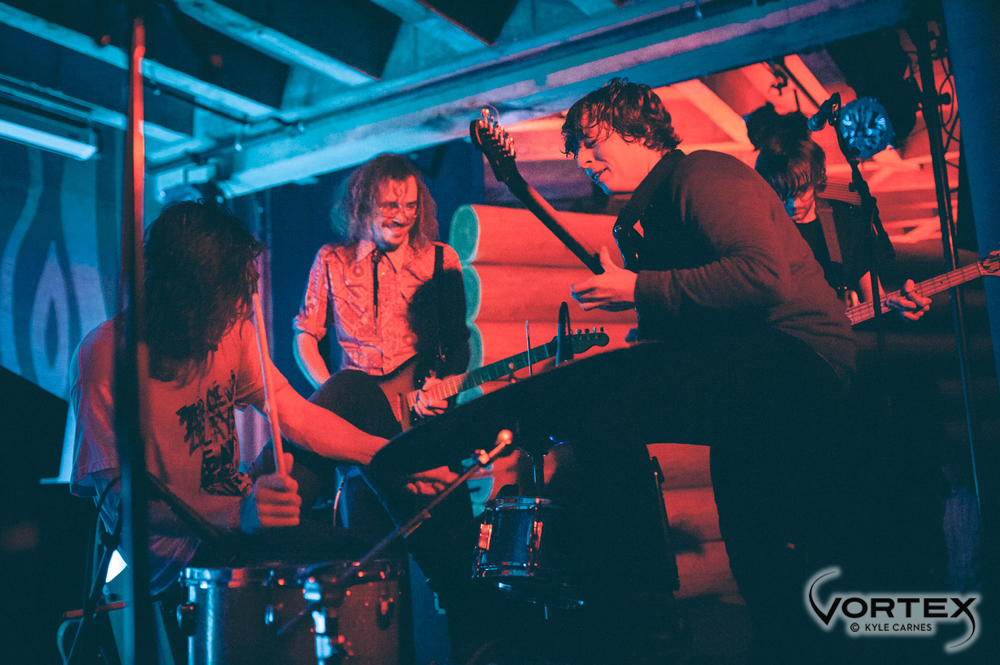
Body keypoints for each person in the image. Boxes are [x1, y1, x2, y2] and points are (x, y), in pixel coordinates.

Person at [561, 79, 861, 660]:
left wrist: (642, 288)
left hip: (797, 359)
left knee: (599, 406)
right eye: (574, 148)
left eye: (590, 141)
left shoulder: (703, 175)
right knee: (757, 553)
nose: (580, 159)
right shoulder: (646, 215)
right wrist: (643, 314)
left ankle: (642, 613)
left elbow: (761, 277)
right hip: (749, 375)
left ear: (639, 131)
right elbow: (697, 312)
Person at [68, 201, 417, 662]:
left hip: (241, 501)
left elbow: (294, 415)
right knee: (359, 557)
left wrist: (399, 455)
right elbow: (121, 504)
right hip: (181, 555)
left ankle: (457, 591)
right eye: (224, 306)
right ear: (185, 299)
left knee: (350, 390)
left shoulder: (231, 328)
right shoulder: (104, 358)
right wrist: (239, 515)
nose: (236, 316)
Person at [293, 153, 470, 425]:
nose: (402, 217)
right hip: (352, 418)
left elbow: (458, 341)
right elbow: (305, 334)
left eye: (411, 206)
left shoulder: (441, 259)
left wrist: (440, 387)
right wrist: (334, 393)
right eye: (390, 206)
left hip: (418, 414)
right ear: (364, 205)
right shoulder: (332, 260)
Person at [749, 105, 931, 319]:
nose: (793, 204)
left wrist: (896, 305)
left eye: (801, 192)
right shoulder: (762, 229)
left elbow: (874, 297)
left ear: (817, 182)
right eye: (782, 195)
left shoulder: (845, 221)